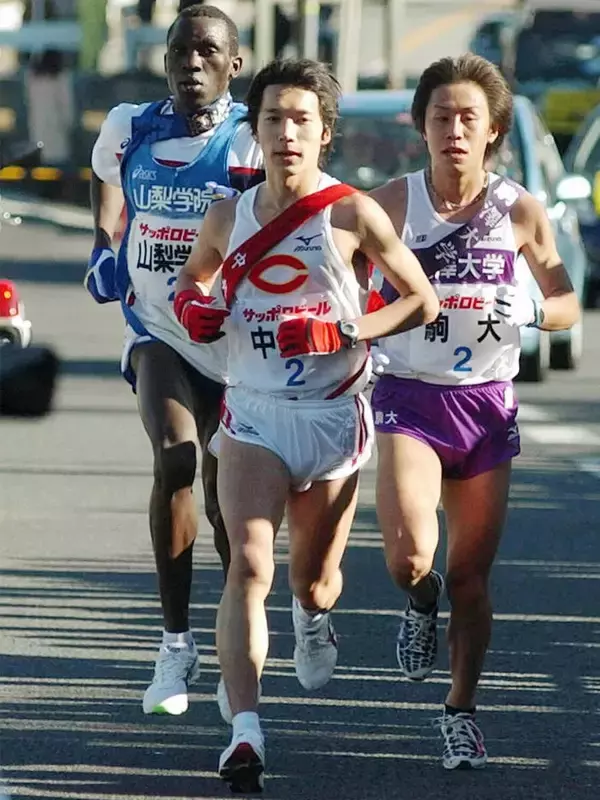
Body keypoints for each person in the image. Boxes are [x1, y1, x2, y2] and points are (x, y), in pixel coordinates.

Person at [174, 58, 439, 792]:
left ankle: (314, 618)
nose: (285, 133)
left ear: (324, 133)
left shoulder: (352, 212)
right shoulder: (229, 215)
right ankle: (245, 733)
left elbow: (420, 300)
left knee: (314, 583)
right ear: (253, 131)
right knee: (247, 566)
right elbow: (194, 279)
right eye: (271, 120)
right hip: (255, 414)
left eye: (301, 120)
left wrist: (346, 331)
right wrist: (197, 308)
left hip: (331, 418)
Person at [367, 54, 580, 769]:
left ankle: (460, 710)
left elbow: (568, 301)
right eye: (441, 117)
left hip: (486, 405)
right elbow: (332, 271)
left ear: (492, 132)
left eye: (469, 118)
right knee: (412, 557)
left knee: (473, 578)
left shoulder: (519, 208)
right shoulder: (391, 205)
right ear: (420, 126)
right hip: (409, 396)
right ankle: (416, 600)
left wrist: (534, 307)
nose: (454, 130)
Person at [84, 4, 264, 717]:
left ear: (234, 63)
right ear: (164, 59)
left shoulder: (253, 136)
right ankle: (173, 641)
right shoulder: (129, 124)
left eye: (208, 52)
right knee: (175, 460)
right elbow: (107, 180)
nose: (192, 63)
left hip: (238, 344)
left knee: (229, 510)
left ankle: (229, 645)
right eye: (180, 51)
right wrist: (104, 245)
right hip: (158, 329)